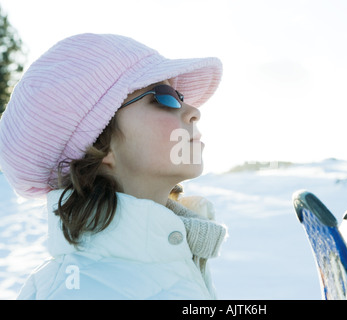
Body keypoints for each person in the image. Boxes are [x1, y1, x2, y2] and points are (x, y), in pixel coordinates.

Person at [0, 33, 227, 299]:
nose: (193, 110)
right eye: (163, 97)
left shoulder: (174, 259)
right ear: (100, 144)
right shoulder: (78, 292)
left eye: (180, 95)